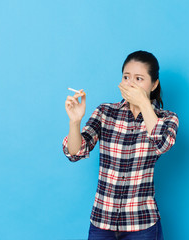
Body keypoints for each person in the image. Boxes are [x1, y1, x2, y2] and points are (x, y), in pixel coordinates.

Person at [62, 50, 179, 240]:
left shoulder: (166, 118)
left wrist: (143, 103)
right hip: (102, 222)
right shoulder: (105, 112)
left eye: (139, 78)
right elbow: (75, 153)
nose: (131, 83)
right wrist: (74, 122)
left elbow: (163, 144)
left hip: (142, 224)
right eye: (126, 77)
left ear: (154, 84)